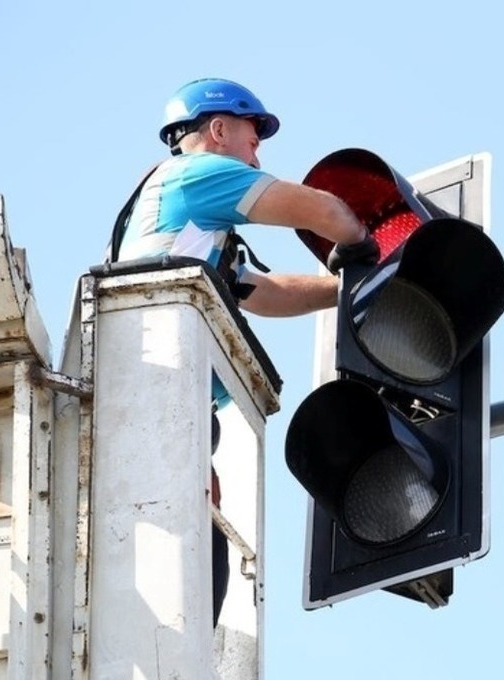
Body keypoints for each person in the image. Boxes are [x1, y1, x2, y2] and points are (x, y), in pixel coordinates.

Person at [111, 77, 379, 627]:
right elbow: (316, 210)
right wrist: (364, 247)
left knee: (200, 527)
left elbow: (265, 292)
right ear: (217, 129)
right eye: (254, 135)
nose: (258, 150)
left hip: (163, 391)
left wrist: (345, 289)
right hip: (157, 385)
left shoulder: (192, 228)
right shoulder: (197, 175)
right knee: (191, 535)